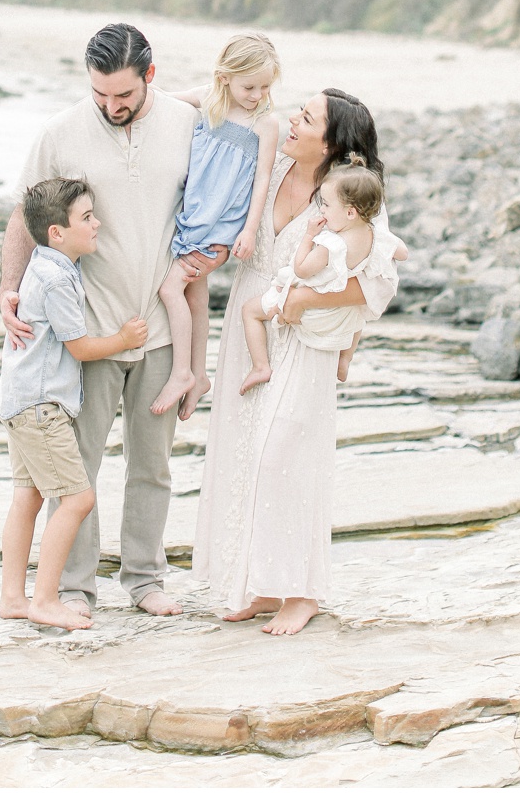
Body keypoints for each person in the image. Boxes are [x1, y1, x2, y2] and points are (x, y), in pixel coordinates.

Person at [0, 23, 196, 620]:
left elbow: (201, 236)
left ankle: (144, 579)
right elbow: (23, 215)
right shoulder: (59, 133)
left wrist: (197, 362)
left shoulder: (188, 127)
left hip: (162, 330)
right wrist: (9, 288)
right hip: (85, 335)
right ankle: (75, 586)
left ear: (150, 78)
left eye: (123, 96)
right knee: (77, 472)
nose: (111, 107)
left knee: (153, 465)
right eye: (99, 95)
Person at [193, 89, 396, 636]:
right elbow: (215, 109)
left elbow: (376, 283)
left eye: (307, 119)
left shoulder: (352, 197)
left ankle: (302, 590)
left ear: (331, 143)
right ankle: (260, 584)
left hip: (304, 335)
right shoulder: (273, 162)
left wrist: (302, 304)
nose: (292, 121)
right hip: (251, 317)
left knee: (284, 452)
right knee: (242, 450)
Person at [0, 178, 148, 630]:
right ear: (56, 232)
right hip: (42, 406)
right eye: (87, 217)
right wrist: (122, 339)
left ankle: (12, 597)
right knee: (78, 499)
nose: (97, 222)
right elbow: (79, 348)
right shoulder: (56, 278)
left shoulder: (45, 266)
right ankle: (45, 599)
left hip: (21, 400)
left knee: (28, 496)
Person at [150, 32, 281, 419]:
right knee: (196, 295)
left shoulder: (264, 123)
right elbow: (160, 100)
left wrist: (249, 230)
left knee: (170, 287)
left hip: (220, 227)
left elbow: (262, 179)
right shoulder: (209, 99)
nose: (257, 95)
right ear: (224, 77)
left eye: (265, 87)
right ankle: (201, 376)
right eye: (249, 86)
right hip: (192, 218)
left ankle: (181, 373)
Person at [239, 154, 406, 394]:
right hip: (344, 315)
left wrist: (308, 237)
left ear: (350, 212)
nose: (322, 210)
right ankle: (345, 360)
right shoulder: (376, 235)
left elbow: (302, 269)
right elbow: (403, 253)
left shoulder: (332, 244)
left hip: (313, 310)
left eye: (326, 204)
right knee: (359, 317)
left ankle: (260, 366)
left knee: (250, 311)